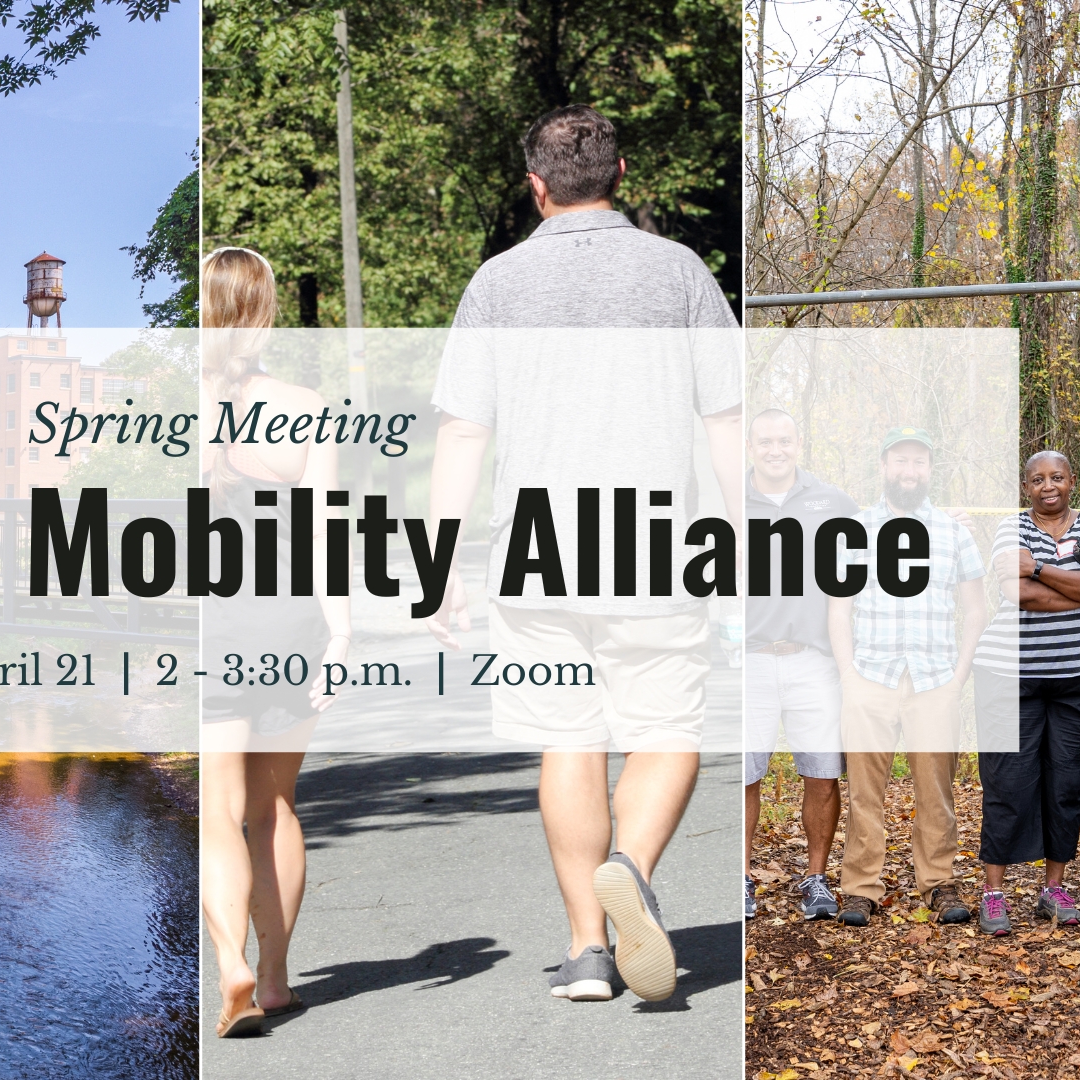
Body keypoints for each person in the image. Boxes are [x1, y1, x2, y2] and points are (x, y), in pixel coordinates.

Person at [426, 104, 741, 1003]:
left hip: (534, 551)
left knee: (566, 740)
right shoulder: (679, 271)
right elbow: (725, 422)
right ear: (621, 173)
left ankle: (588, 952)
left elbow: (461, 435)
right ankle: (633, 866)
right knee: (668, 727)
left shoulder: (495, 284)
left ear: (535, 186)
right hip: (658, 541)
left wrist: (441, 563)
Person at [196, 246, 352, 1037]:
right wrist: (341, 624)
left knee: (218, 811)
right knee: (276, 807)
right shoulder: (304, 404)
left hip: (211, 620)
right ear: (263, 313)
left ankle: (231, 966)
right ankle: (279, 981)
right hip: (290, 616)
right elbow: (327, 528)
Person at [829, 427, 986, 927]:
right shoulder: (855, 529)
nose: (910, 471)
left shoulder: (952, 532)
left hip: (934, 679)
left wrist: (958, 676)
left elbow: (976, 610)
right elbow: (838, 609)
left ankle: (938, 881)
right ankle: (859, 887)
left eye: (919, 462)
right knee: (863, 790)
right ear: (884, 466)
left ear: (929, 471)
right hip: (870, 678)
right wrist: (848, 676)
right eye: (901, 461)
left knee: (935, 789)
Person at [967, 452, 1080, 935]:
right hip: (1009, 675)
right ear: (1025, 486)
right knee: (1007, 781)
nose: (1048, 486)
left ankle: (1053, 888)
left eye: (1056, 477)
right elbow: (1019, 596)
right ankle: (994, 892)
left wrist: (1039, 570)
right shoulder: (1012, 528)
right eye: (1037, 479)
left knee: (1067, 783)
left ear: (1072, 480)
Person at [741, 409, 856, 922]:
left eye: (784, 440)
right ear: (750, 447)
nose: (775, 449)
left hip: (813, 660)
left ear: (798, 443)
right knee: (745, 776)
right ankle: (741, 879)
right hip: (748, 661)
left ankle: (816, 879)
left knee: (822, 772)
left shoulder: (833, 501)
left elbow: (850, 583)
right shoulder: (728, 502)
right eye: (765, 441)